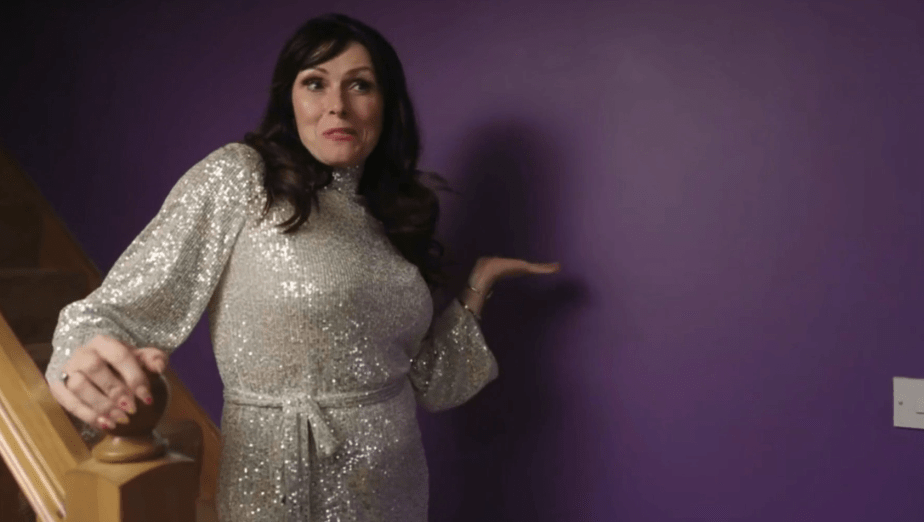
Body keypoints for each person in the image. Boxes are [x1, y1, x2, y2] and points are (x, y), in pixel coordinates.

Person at [43, 13, 560, 521]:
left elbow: (426, 379)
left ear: (386, 105)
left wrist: (479, 283)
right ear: (290, 100)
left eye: (360, 85)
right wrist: (78, 357)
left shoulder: (395, 216)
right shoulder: (241, 177)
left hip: (395, 484)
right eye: (315, 83)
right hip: (277, 481)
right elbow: (108, 315)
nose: (337, 106)